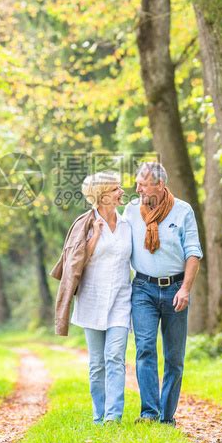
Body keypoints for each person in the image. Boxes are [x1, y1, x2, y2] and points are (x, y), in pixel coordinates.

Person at [123, 161, 203, 426]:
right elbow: (117, 244)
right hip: (143, 288)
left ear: (160, 184)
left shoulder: (182, 211)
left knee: (174, 357)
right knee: (145, 349)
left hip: (175, 289)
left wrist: (185, 289)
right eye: (137, 183)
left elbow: (193, 252)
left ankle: (166, 417)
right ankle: (149, 413)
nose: (137, 188)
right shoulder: (132, 211)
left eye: (143, 184)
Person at [52, 170, 132, 424]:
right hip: (92, 299)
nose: (121, 192)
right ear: (102, 196)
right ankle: (99, 415)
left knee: (115, 357)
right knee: (97, 363)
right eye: (115, 189)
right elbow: (75, 262)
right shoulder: (85, 225)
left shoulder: (127, 224)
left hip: (121, 298)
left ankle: (113, 416)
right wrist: (95, 237)